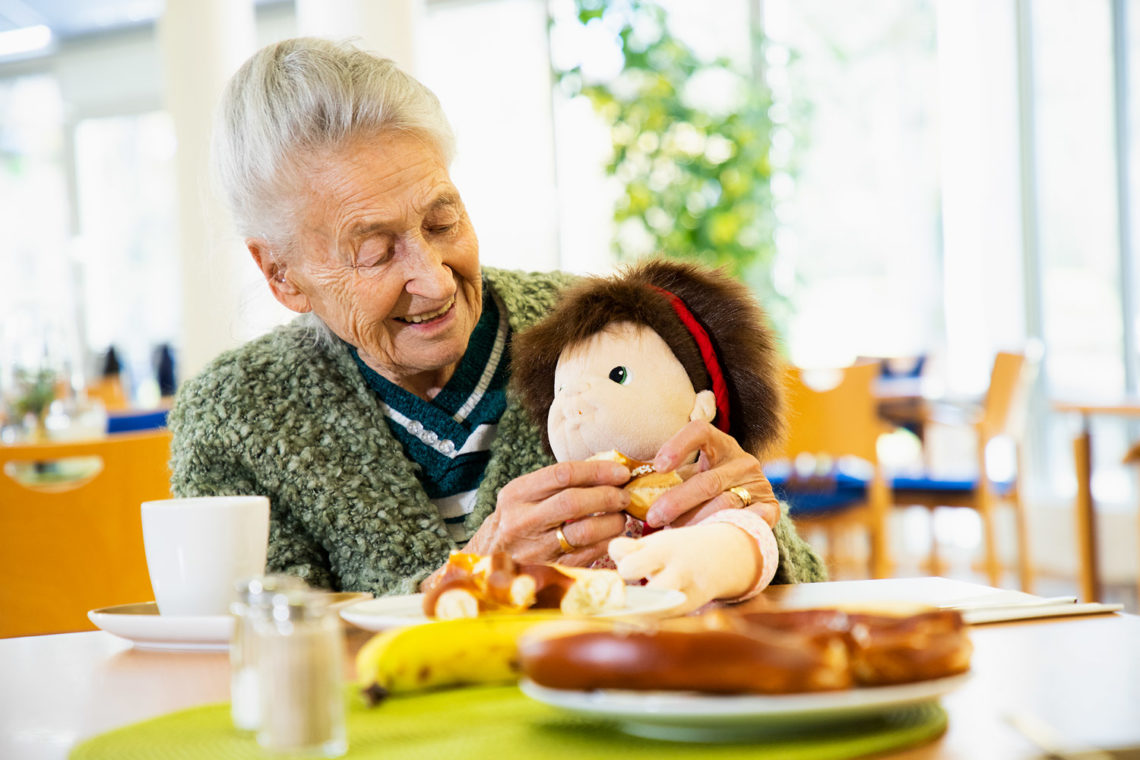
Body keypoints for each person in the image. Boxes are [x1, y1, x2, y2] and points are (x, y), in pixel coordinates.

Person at [169, 36, 825, 596]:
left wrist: (754, 529)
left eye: (442, 220)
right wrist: (469, 576)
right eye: (374, 252)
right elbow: (259, 654)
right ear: (282, 275)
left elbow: (801, 591)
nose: (431, 279)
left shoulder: (598, 327)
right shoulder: (234, 415)